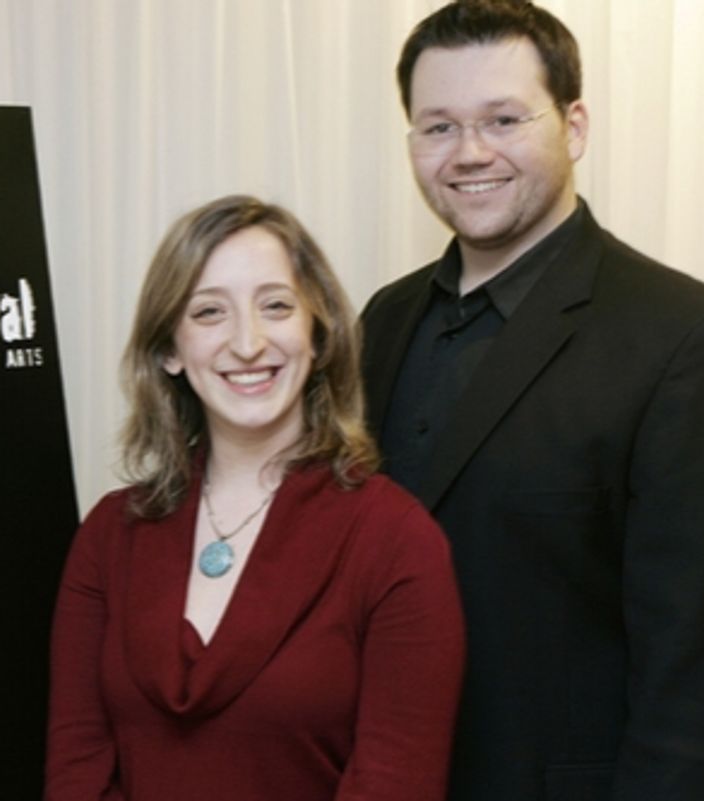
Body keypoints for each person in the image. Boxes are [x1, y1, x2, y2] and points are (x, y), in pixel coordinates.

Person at [359, 2, 704, 800]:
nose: (470, 152)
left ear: (574, 127)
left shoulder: (689, 341)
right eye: (439, 126)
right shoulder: (383, 319)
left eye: (503, 119)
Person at [46, 194, 465, 801]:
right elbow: (77, 769)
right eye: (209, 312)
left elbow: (396, 783)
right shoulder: (110, 534)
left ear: (318, 334)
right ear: (168, 350)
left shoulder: (396, 539)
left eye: (275, 306)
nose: (247, 343)